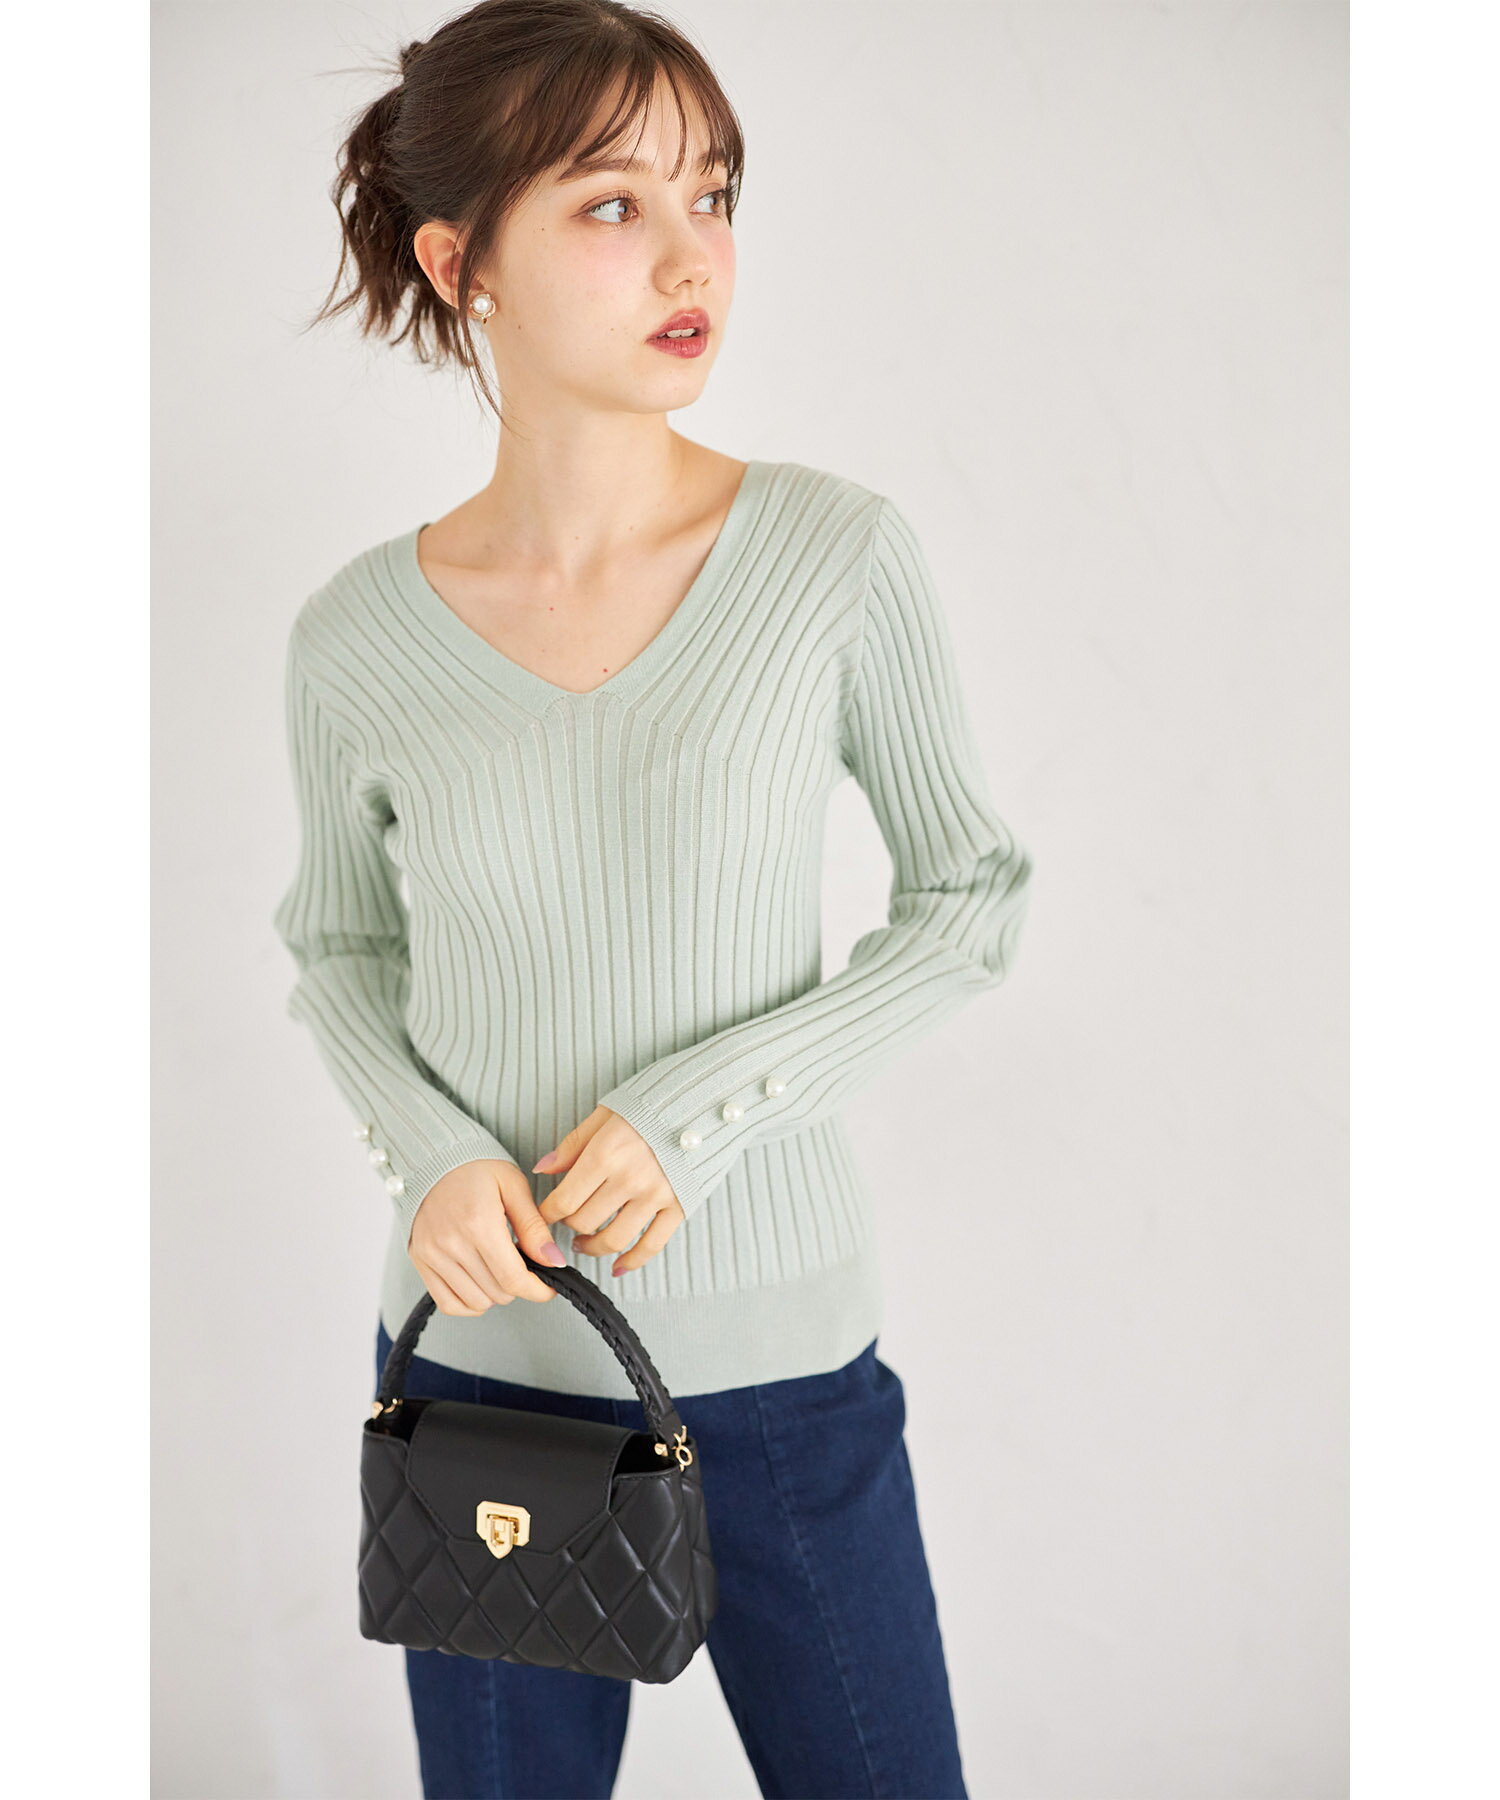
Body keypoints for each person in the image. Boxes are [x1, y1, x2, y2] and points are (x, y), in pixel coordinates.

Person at [271, 2, 1034, 1794]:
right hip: (475, 1379)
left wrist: (696, 1117)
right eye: (614, 206)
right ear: (463, 263)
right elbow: (340, 945)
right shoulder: (357, 633)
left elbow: (968, 895)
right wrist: (432, 1156)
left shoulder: (834, 556)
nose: (694, 256)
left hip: (782, 1378)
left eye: (715, 194)